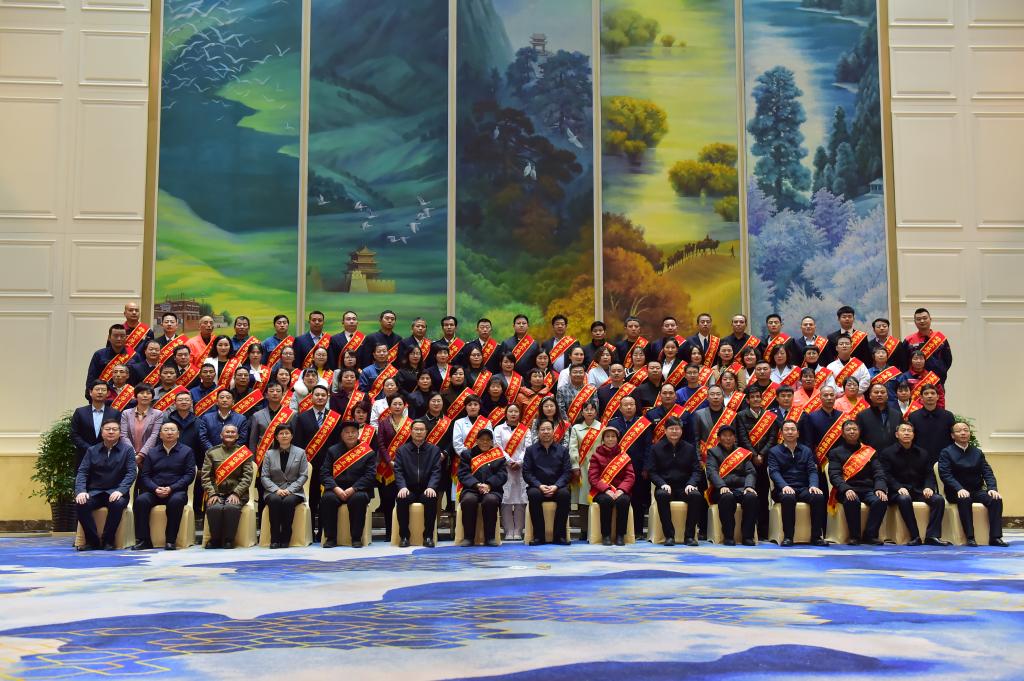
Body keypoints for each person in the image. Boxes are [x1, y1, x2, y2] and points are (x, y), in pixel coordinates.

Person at [880, 421, 950, 546]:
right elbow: (886, 475)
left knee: (938, 499)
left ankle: (932, 536)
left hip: (918, 490)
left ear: (913, 435)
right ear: (897, 434)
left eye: (909, 431)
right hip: (897, 492)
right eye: (903, 430)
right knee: (904, 498)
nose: (906, 433)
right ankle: (915, 536)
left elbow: (929, 474)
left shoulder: (922, 453)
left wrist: (928, 487)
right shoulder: (887, 453)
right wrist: (898, 487)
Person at [939, 421, 1007, 547]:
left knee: (995, 499)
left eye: (966, 430)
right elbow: (945, 474)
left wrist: (992, 488)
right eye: (959, 431)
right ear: (953, 435)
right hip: (956, 492)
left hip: (976, 490)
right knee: (965, 498)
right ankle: (970, 537)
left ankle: (995, 537)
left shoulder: (977, 452)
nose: (963, 433)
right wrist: (959, 488)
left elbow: (987, 472)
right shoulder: (946, 452)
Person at [74, 419, 136, 550]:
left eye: (114, 429)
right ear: (102, 432)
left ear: (120, 433)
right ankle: (93, 541)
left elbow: (131, 473)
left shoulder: (128, 450)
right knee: (81, 503)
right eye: (108, 429)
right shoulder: (92, 450)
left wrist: (120, 490)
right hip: (95, 492)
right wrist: (81, 491)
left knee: (117, 504)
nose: (111, 432)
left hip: (117, 492)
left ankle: (108, 540)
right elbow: (82, 472)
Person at [133, 421, 196, 551]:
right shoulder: (152, 452)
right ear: (160, 435)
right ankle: (144, 540)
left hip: (176, 491)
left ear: (178, 434)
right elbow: (145, 475)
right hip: (155, 491)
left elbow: (189, 475)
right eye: (166, 430)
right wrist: (155, 488)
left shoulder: (187, 451)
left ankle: (170, 540)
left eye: (172, 430)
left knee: (175, 501)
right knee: (141, 500)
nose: (169, 433)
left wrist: (171, 488)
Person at [827, 420, 888, 545]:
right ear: (842, 434)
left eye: (854, 429)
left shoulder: (869, 452)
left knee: (881, 500)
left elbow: (879, 473)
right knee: (852, 500)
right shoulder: (835, 452)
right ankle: (855, 536)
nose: (852, 432)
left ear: (859, 432)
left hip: (867, 489)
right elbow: (835, 475)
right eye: (848, 429)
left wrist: (880, 488)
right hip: (847, 489)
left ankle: (870, 535)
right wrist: (846, 489)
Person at [767, 420, 827, 546]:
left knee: (818, 497)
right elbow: (774, 472)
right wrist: (784, 486)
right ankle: (788, 537)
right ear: (781, 434)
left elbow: (812, 470)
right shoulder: (774, 451)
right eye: (786, 429)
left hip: (803, 488)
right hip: (782, 489)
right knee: (788, 497)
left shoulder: (806, 451)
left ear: (798, 433)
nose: (790, 432)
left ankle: (816, 537)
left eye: (792, 429)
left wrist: (813, 485)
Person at [647, 417, 703, 546]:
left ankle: (689, 536)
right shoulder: (656, 448)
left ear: (681, 431)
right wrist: (662, 484)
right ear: (665, 430)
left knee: (696, 496)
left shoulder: (689, 448)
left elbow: (697, 470)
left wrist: (691, 483)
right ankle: (669, 536)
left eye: (677, 429)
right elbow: (652, 472)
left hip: (684, 487)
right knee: (661, 495)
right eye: (671, 429)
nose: (674, 431)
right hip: (666, 486)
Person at [319, 420, 376, 548]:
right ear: (342, 434)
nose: (350, 435)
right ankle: (330, 538)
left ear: (358, 434)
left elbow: (370, 476)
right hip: (336, 489)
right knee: (327, 498)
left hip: (358, 489)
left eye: (353, 432)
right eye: (347, 432)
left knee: (359, 498)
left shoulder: (368, 452)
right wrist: (336, 488)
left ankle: (356, 538)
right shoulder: (332, 451)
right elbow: (324, 473)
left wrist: (354, 488)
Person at [294, 385, 341, 539]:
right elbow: (298, 443)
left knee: (327, 499)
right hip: (309, 465)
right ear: (311, 397)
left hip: (329, 466)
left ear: (327, 397)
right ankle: (309, 532)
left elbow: (338, 443)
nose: (320, 397)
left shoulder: (335, 417)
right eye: (317, 395)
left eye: (323, 395)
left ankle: (323, 531)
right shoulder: (302, 417)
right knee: (312, 498)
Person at [607, 395, 653, 539]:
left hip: (638, 468)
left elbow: (648, 447)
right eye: (625, 405)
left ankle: (638, 531)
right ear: (620, 408)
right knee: (621, 499)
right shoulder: (613, 423)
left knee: (638, 501)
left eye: (631, 404)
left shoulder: (643, 423)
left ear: (635, 406)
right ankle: (619, 531)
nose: (628, 407)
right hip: (618, 468)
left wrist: (646, 468)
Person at [735, 386, 779, 540]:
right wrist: (754, 454)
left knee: (763, 495)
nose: (756, 399)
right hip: (747, 461)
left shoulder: (769, 416)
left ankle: (763, 531)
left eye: (758, 397)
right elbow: (742, 437)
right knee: (750, 495)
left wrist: (762, 454)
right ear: (747, 400)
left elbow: (773, 437)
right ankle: (749, 530)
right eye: (752, 397)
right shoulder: (741, 416)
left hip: (765, 461)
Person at [201, 423, 253, 549]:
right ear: (221, 435)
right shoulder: (212, 452)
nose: (230, 434)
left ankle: (229, 540)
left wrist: (236, 493)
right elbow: (206, 476)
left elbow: (247, 477)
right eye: (227, 432)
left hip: (237, 494)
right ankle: (215, 539)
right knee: (214, 508)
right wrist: (212, 493)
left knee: (231, 507)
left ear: (237, 436)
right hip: (216, 493)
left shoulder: (243, 453)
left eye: (233, 432)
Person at [706, 424, 758, 546]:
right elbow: (712, 472)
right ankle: (729, 536)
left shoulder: (741, 453)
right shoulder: (713, 452)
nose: (728, 438)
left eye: (730, 436)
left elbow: (751, 472)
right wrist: (722, 486)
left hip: (741, 488)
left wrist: (749, 486)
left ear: (735, 438)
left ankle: (747, 536)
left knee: (751, 497)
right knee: (727, 497)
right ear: (719, 438)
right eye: (724, 436)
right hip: (721, 489)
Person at [523, 419, 572, 545]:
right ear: (538, 432)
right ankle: (539, 537)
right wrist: (539, 485)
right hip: (538, 487)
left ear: (553, 431)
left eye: (548, 429)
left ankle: (559, 536)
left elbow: (567, 472)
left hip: (557, 487)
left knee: (565, 494)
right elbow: (527, 473)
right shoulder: (530, 450)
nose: (546, 432)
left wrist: (556, 486)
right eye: (542, 429)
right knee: (533, 494)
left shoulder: (563, 450)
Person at [394, 420, 443, 547]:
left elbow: (436, 471)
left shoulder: (434, 450)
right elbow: (398, 471)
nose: (419, 432)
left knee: (431, 497)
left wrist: (431, 487)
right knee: (402, 498)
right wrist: (402, 487)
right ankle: (404, 536)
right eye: (416, 429)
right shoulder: (402, 450)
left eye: (422, 429)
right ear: (410, 432)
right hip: (408, 489)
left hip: (426, 489)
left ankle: (428, 536)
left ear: (426, 432)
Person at [260, 423, 309, 548]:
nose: (284, 436)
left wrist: (289, 490)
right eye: (281, 433)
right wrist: (276, 490)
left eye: (287, 433)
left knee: (288, 502)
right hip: (273, 491)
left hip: (294, 491)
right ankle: (275, 539)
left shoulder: (300, 452)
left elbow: (303, 475)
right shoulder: (269, 454)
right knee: (275, 501)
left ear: (292, 436)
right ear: (276, 437)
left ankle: (286, 537)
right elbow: (264, 476)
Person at [456, 428, 507, 546]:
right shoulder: (467, 454)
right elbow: (463, 474)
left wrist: (489, 484)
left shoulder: (498, 456)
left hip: (492, 489)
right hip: (471, 489)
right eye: (482, 439)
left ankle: (490, 537)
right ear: (477, 441)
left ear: (492, 442)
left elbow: (502, 475)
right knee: (468, 500)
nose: (485, 442)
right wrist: (476, 485)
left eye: (488, 440)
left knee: (490, 500)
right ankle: (468, 537)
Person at [588, 426, 635, 546]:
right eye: (607, 436)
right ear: (603, 439)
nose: (610, 439)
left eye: (613, 436)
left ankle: (620, 535)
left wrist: (621, 489)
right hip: (601, 491)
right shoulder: (596, 456)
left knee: (623, 501)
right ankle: (606, 535)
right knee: (606, 501)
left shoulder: (624, 456)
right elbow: (593, 478)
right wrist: (606, 489)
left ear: (617, 439)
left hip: (620, 490)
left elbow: (630, 476)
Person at [376, 393, 412, 539]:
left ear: (405, 406)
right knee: (388, 501)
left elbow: (412, 444)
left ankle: (404, 532)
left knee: (404, 500)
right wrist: (389, 461)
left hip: (405, 467)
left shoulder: (410, 423)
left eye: (400, 404)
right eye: (394, 404)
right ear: (389, 407)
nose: (397, 407)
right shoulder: (383, 423)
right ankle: (389, 532)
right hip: (387, 468)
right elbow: (381, 444)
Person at [494, 403, 531, 540]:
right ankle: (508, 531)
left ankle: (518, 530)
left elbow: (528, 448)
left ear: (520, 414)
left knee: (521, 499)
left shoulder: (525, 430)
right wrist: (509, 461)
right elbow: (497, 446)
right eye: (511, 411)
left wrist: (519, 461)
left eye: (516, 411)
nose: (513, 414)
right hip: (504, 468)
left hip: (521, 468)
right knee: (506, 499)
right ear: (506, 414)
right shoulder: (498, 429)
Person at [71, 381, 120, 469]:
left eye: (103, 390)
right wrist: (90, 449)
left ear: (108, 393)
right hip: (84, 456)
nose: (100, 392)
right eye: (97, 389)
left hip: (107, 456)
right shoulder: (80, 412)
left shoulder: (115, 413)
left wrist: (103, 449)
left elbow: (117, 435)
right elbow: (74, 434)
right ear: (90, 392)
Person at [903, 307, 953, 383]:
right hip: (915, 382)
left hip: (936, 380)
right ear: (915, 322)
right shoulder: (909, 340)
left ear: (930, 319)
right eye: (918, 319)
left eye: (925, 318)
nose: (922, 321)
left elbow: (948, 360)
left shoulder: (940, 338)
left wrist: (941, 371)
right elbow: (904, 362)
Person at [908, 384, 954, 465]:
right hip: (920, 459)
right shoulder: (913, 416)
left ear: (937, 397)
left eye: (933, 393)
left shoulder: (948, 416)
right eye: (926, 393)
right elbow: (911, 440)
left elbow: (952, 438)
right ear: (921, 397)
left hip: (943, 459)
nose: (930, 396)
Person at [86, 324, 131, 398]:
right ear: (109, 338)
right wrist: (90, 397)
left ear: (126, 338)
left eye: (122, 336)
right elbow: (91, 378)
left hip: (127, 399)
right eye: (116, 336)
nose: (119, 338)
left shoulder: (134, 356)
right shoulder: (99, 354)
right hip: (103, 398)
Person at [198, 389, 249, 454]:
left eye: (228, 397)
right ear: (216, 402)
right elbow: (203, 437)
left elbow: (242, 439)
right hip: (211, 455)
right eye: (222, 397)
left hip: (233, 455)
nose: (224, 400)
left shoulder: (241, 418)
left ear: (233, 402)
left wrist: (231, 453)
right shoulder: (207, 417)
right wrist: (213, 452)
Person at [856, 383, 901, 452]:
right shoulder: (862, 416)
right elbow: (858, 438)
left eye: (882, 392)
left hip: (894, 454)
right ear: (870, 396)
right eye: (876, 392)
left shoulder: (897, 414)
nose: (879, 394)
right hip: (871, 455)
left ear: (887, 396)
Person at [119, 384, 162, 456]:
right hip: (128, 454)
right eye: (141, 393)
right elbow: (123, 435)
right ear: (135, 396)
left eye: (148, 393)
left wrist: (141, 454)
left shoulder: (158, 414)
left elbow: (154, 435)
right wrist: (132, 453)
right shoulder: (126, 413)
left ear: (152, 397)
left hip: (149, 454)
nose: (145, 395)